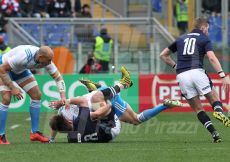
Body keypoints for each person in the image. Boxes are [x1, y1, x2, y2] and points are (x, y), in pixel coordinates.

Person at [160, 17, 230, 143]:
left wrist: (176, 66)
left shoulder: (181, 38)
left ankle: (214, 133)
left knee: (198, 109)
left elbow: (163, 55)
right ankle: (219, 112)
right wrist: (222, 75)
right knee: (214, 97)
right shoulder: (203, 38)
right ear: (203, 28)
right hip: (197, 71)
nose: (207, 31)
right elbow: (212, 58)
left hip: (182, 75)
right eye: (207, 29)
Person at [0, 45, 68, 144]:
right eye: (48, 60)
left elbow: (58, 78)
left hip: (19, 70)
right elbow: (2, 69)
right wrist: (13, 88)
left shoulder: (45, 59)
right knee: (6, 98)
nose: (49, 63)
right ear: (40, 57)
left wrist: (63, 96)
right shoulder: (23, 56)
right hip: (3, 68)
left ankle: (34, 133)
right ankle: (1, 136)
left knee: (36, 95)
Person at [79, 79, 183, 126]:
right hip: (102, 95)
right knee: (135, 119)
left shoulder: (71, 114)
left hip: (105, 97)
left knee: (136, 119)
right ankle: (95, 88)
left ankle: (164, 106)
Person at [49, 105, 121, 143]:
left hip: (107, 139)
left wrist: (52, 139)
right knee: (100, 108)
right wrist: (109, 104)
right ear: (68, 121)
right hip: (112, 128)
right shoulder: (81, 119)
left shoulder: (71, 139)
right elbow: (103, 110)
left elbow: (57, 126)